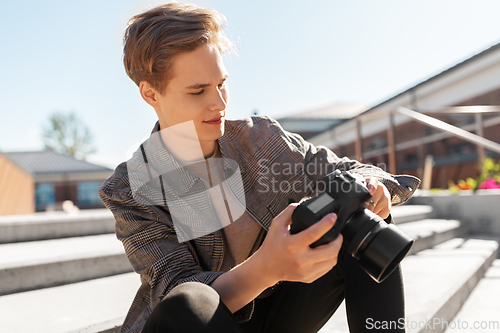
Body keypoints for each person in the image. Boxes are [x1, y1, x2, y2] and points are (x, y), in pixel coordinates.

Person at [99, 3, 420, 333]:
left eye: (221, 83)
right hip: (210, 324)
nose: (220, 104)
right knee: (187, 302)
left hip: (281, 311)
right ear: (150, 93)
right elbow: (175, 289)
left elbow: (351, 170)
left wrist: (374, 188)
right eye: (198, 91)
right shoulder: (130, 186)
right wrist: (267, 268)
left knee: (357, 212)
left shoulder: (260, 138)